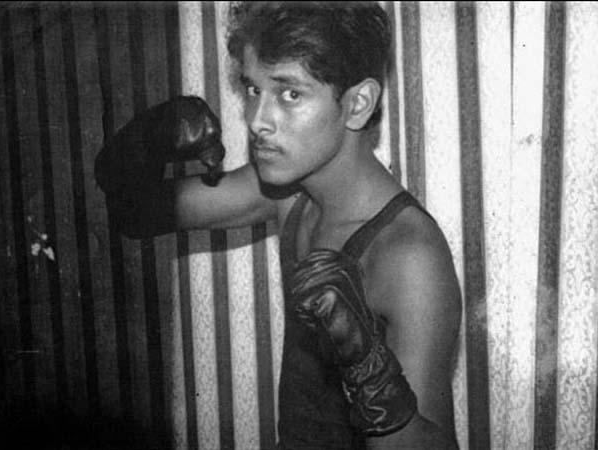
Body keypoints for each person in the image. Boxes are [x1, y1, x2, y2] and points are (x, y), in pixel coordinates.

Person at [95, 2, 462, 448]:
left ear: (358, 104)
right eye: (253, 89)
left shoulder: (407, 255)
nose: (256, 121)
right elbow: (134, 214)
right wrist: (148, 139)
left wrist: (366, 361)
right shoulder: (287, 195)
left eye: (289, 94)